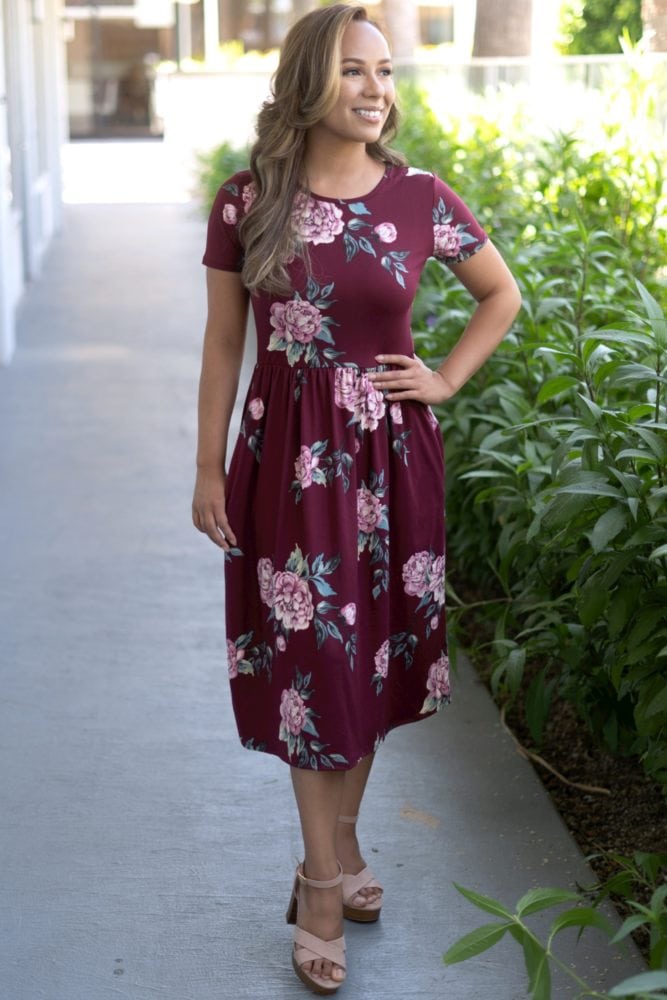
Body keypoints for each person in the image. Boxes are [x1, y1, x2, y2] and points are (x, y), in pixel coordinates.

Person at [192, 3, 521, 994]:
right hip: (287, 465)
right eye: (354, 71)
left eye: (386, 72)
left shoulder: (420, 197)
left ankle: (333, 850)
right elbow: (222, 343)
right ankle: (322, 879)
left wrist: (447, 377)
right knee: (312, 668)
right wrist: (206, 467)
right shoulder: (245, 200)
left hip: (388, 465)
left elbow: (499, 294)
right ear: (305, 83)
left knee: (365, 670)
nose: (378, 89)